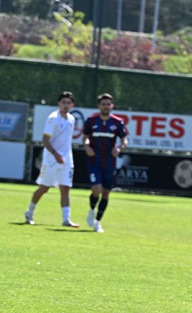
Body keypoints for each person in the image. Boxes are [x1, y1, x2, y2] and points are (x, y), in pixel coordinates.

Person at [24, 91, 79, 228]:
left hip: (66, 159)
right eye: (63, 102)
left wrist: (64, 156)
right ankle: (29, 212)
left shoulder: (71, 119)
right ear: (58, 104)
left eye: (68, 103)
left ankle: (66, 220)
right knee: (44, 188)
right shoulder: (53, 118)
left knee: (65, 188)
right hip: (51, 159)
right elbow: (45, 140)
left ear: (72, 105)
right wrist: (56, 154)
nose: (66, 105)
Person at [82, 93, 128, 234]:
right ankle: (91, 210)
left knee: (106, 194)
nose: (106, 106)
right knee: (96, 190)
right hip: (94, 162)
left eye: (108, 104)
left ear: (112, 106)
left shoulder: (117, 122)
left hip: (109, 163)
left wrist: (119, 148)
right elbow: (85, 137)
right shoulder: (91, 121)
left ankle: (98, 222)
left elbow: (124, 140)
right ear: (99, 106)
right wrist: (87, 146)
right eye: (103, 104)